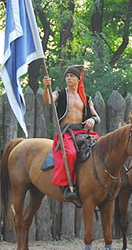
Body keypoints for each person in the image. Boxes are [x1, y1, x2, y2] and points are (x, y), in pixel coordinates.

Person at [43, 65, 100, 206]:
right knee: (70, 154)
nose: (68, 78)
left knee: (100, 151)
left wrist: (92, 120)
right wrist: (46, 88)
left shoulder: (86, 98)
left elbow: (96, 116)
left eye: (72, 76)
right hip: (67, 132)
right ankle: (68, 187)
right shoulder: (60, 94)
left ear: (79, 79)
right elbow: (48, 100)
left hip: (84, 132)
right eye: (67, 76)